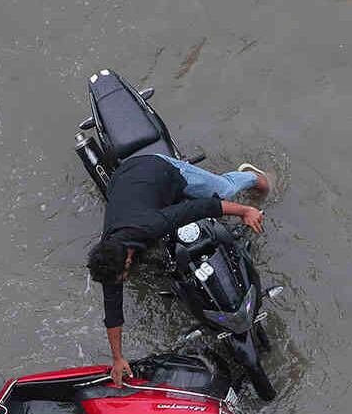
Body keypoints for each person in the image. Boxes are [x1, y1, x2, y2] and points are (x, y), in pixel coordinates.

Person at [87, 155, 272, 385]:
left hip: (159, 169)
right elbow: (112, 309)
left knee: (223, 189)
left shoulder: (149, 225)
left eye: (122, 276)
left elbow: (200, 208)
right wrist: (117, 358)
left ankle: (251, 175)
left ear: (127, 259)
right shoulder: (109, 253)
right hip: (125, 184)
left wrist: (245, 211)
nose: (121, 280)